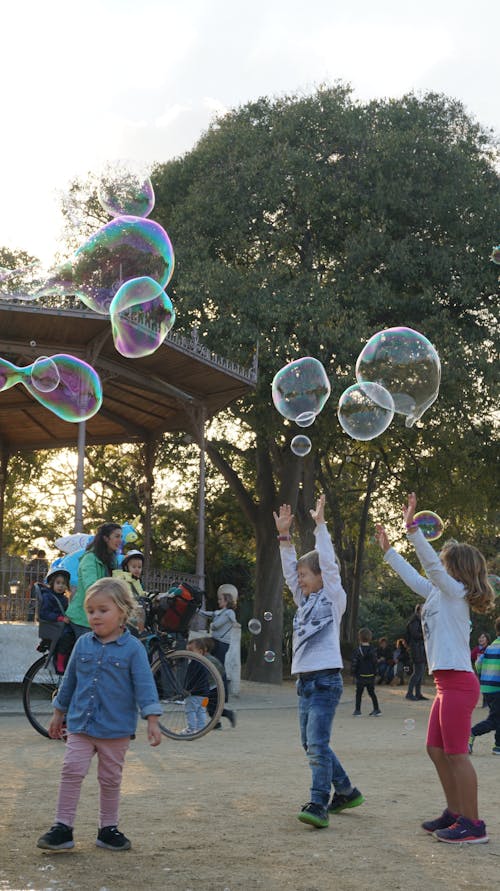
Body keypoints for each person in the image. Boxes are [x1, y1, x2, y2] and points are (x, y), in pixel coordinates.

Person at [376, 491, 495, 844]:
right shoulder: (436, 593)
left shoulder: (454, 592)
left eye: (444, 563)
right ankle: (455, 813)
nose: (438, 566)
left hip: (459, 684)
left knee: (456, 753)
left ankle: (474, 825)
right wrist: (388, 552)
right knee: (436, 749)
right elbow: (415, 577)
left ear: (456, 571)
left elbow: (428, 567)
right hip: (447, 685)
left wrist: (411, 529)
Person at [36, 577, 162, 853]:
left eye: (102, 610)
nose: (94, 616)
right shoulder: (82, 644)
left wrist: (152, 719)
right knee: (71, 770)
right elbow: (68, 682)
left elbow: (145, 686)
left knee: (110, 779)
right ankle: (62, 827)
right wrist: (58, 714)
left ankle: (108, 829)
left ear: (122, 612)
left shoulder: (133, 649)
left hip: (115, 730)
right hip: (80, 724)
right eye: (91, 610)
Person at [274, 493, 364, 829]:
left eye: (305, 575)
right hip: (305, 683)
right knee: (310, 743)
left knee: (317, 743)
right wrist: (284, 537)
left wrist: (320, 526)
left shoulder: (332, 596)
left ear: (322, 578)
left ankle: (318, 803)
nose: (300, 580)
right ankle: (346, 790)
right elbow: (287, 573)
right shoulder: (303, 600)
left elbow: (327, 562)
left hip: (326, 680)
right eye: (299, 576)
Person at [64, 523, 122, 641]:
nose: (120, 540)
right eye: (117, 536)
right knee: (89, 655)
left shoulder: (112, 560)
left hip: (102, 616)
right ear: (106, 538)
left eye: (121, 537)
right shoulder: (89, 559)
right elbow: (92, 587)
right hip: (83, 618)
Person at [189, 633, 237, 728]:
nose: (189, 653)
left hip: (215, 687)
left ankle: (227, 715)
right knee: (209, 707)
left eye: (191, 650)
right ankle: (216, 723)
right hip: (209, 687)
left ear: (203, 650)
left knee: (212, 708)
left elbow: (220, 672)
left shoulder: (209, 660)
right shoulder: (200, 660)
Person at [468, 617, 500, 756]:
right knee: (494, 720)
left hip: (488, 687)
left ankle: (498, 746)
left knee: (498, 716)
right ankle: (470, 734)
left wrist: (484, 675)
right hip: (497, 688)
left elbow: (478, 663)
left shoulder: (491, 646)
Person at [36, 567, 71, 673]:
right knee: (67, 637)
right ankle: (59, 662)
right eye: (58, 582)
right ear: (52, 583)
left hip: (60, 624)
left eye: (63, 583)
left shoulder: (64, 598)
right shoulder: (48, 597)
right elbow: (44, 613)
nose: (61, 586)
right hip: (55, 625)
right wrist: (59, 618)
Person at [199, 586, 236, 665]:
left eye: (220, 599)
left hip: (223, 643)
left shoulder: (229, 613)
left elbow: (216, 625)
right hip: (216, 641)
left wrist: (211, 625)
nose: (218, 601)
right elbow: (207, 614)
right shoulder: (220, 612)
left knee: (219, 665)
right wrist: (197, 610)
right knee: (211, 664)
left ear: (226, 602)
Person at [351, 627, 381, 716]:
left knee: (359, 693)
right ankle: (376, 709)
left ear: (359, 637)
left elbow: (354, 663)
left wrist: (353, 673)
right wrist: (376, 673)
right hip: (370, 675)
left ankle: (357, 711)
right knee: (372, 693)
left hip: (360, 675)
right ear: (370, 637)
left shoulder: (357, 650)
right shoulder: (373, 649)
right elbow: (375, 663)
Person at [406, 604, 428, 701]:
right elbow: (415, 634)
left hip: (420, 649)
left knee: (421, 671)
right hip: (416, 649)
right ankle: (409, 693)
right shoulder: (414, 621)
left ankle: (418, 693)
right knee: (418, 672)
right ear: (418, 610)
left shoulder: (419, 620)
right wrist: (426, 634)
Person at [470, 632, 490, 707]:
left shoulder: (489, 648)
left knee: (486, 687)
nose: (481, 639)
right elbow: (470, 657)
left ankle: (486, 703)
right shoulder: (476, 649)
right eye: (480, 637)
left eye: (483, 637)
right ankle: (472, 702)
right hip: (478, 672)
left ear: (487, 640)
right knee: (476, 686)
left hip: (488, 671)